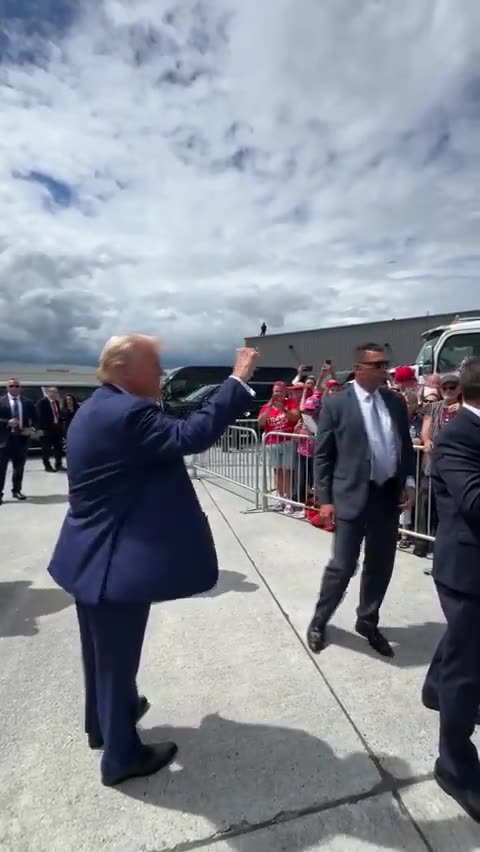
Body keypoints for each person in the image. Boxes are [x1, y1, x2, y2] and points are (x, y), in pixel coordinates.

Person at [48, 335, 258, 787]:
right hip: (112, 563)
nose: (162, 374)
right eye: (156, 365)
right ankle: (121, 758)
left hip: (88, 558)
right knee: (118, 661)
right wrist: (237, 381)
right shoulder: (130, 412)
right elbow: (192, 435)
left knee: (102, 657)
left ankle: (104, 726)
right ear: (125, 368)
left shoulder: (96, 406)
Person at [307, 343, 416, 658]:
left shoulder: (393, 403)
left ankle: (367, 621)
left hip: (386, 497)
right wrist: (325, 498)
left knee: (380, 565)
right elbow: (323, 455)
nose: (385, 370)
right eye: (379, 365)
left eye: (385, 364)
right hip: (351, 497)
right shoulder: (337, 404)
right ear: (360, 368)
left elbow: (403, 447)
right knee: (342, 567)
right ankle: (320, 620)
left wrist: (408, 481)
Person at [422, 357, 480, 820]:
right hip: (468, 571)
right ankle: (454, 766)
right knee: (469, 671)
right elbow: (475, 502)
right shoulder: (456, 436)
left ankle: (433, 686)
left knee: (461, 644)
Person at [414, 374, 462, 558]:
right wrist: (426, 441)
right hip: (432, 463)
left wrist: (462, 411)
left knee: (451, 506)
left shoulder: (466, 409)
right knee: (425, 500)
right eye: (445, 388)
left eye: (452, 387)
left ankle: (448, 544)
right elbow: (426, 427)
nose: (448, 391)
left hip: (456, 466)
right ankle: (421, 543)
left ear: (459, 389)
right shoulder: (433, 408)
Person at [258, 381, 299, 514]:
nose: (278, 394)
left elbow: (295, 417)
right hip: (273, 442)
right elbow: (261, 423)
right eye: (276, 391)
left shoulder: (291, 403)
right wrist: (270, 407)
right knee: (277, 472)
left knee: (287, 472)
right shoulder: (266, 407)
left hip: (287, 442)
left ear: (285, 392)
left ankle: (288, 500)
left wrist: (283, 409)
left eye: (280, 391)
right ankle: (280, 498)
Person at [0, 378, 37, 503]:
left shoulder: (27, 402)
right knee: (1, 469)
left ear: (20, 388)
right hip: (4, 440)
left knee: (19, 468)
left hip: (21, 439)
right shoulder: (1, 401)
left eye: (17, 386)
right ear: (7, 388)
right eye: (11, 385)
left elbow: (36, 418)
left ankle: (16, 490)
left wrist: (32, 429)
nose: (14, 388)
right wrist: (7, 423)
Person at [36, 386, 65, 472]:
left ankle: (59, 464)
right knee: (46, 449)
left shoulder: (56, 402)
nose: (54, 394)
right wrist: (39, 429)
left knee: (58, 448)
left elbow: (57, 414)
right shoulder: (42, 402)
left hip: (56, 428)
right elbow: (38, 416)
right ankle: (47, 466)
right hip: (46, 429)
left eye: (56, 392)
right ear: (48, 393)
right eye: (52, 392)